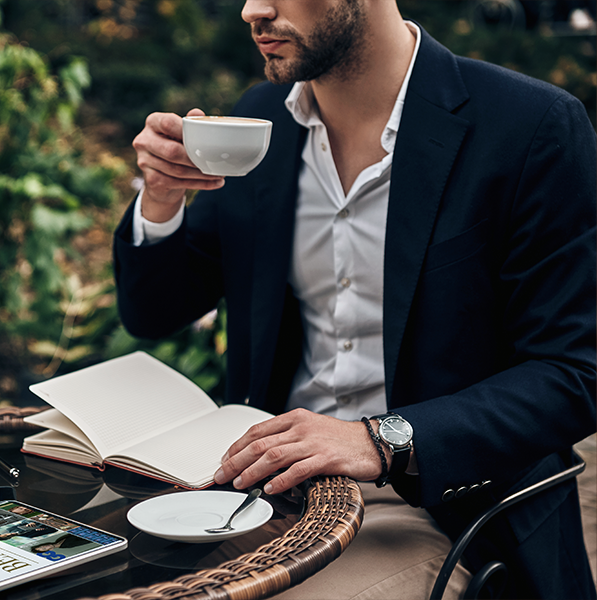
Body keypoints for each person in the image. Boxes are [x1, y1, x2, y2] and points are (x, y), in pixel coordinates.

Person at [112, 1, 596, 598]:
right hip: (267, 490)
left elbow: (576, 372)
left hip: (439, 505)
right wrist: (160, 200)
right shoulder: (259, 120)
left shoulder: (530, 125)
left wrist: (380, 438)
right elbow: (154, 311)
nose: (251, 10)